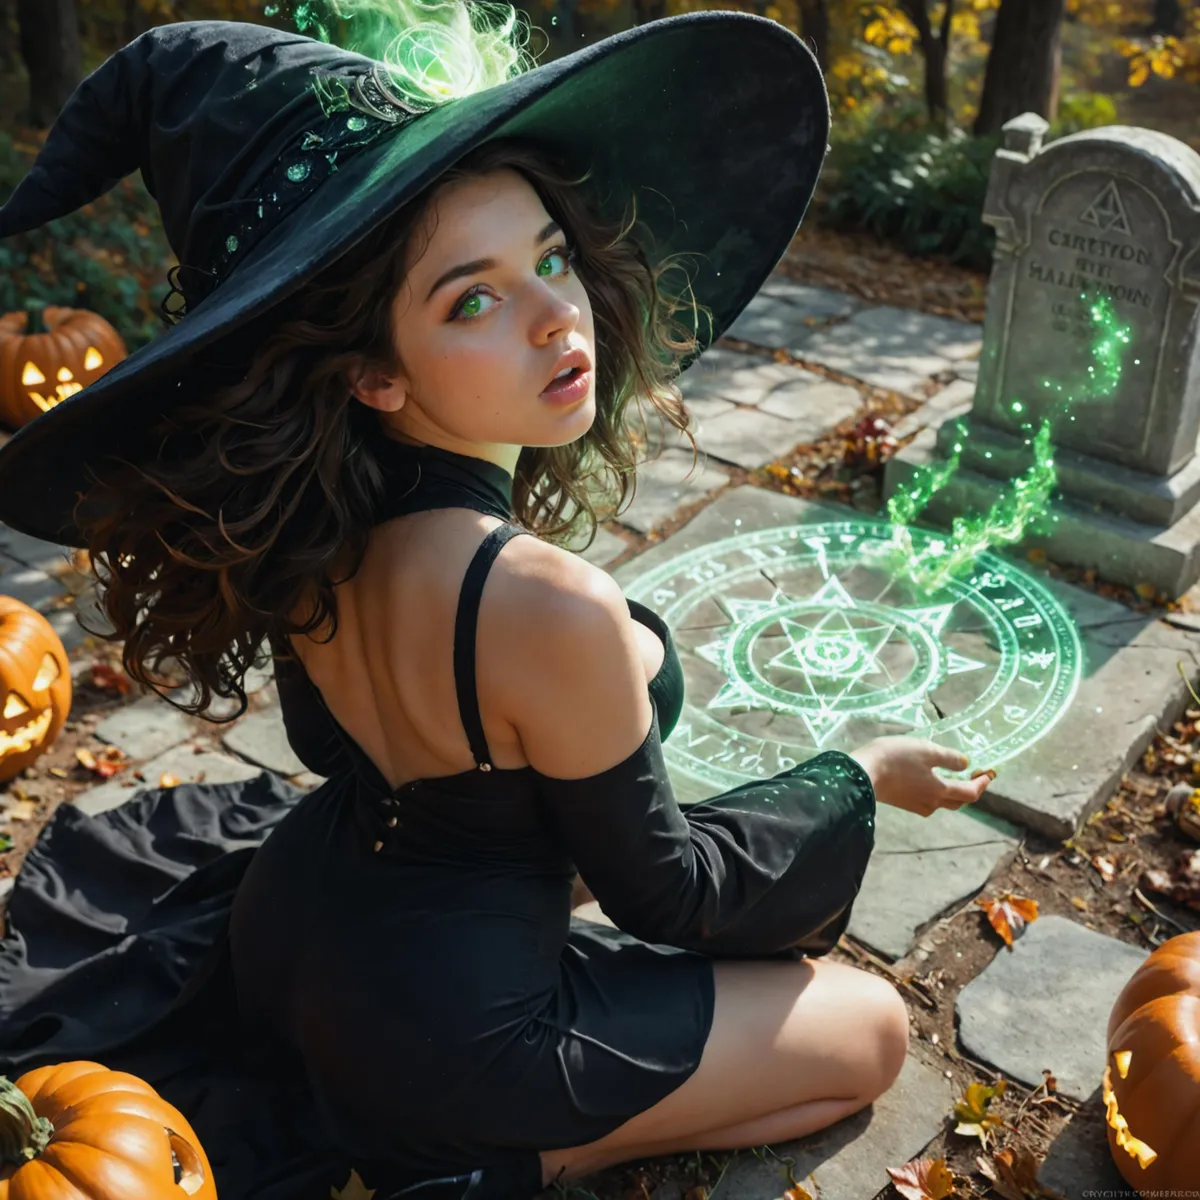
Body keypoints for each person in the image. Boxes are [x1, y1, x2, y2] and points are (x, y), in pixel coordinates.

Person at [0, 4, 992, 1197]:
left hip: (287, 937)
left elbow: (333, 745)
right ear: (370, 370)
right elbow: (668, 891)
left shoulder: (314, 530)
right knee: (868, 1034)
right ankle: (467, 1151)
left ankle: (427, 1104)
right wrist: (858, 774)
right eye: (472, 300)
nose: (554, 314)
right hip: (446, 1040)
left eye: (551, 257)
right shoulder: (542, 600)